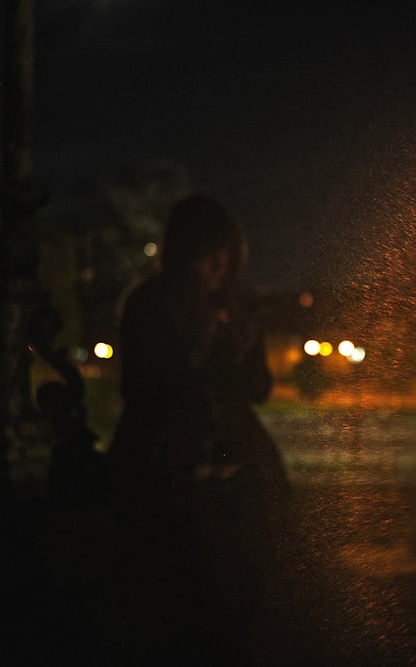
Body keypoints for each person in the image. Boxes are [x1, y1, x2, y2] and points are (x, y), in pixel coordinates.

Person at [106, 193, 284, 663]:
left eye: (226, 256)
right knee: (190, 573)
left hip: (234, 454)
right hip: (170, 455)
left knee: (256, 557)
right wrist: (200, 344)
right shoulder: (149, 305)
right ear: (185, 253)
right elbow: (145, 392)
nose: (219, 267)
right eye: (209, 255)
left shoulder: (236, 303)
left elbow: (258, 388)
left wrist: (244, 352)